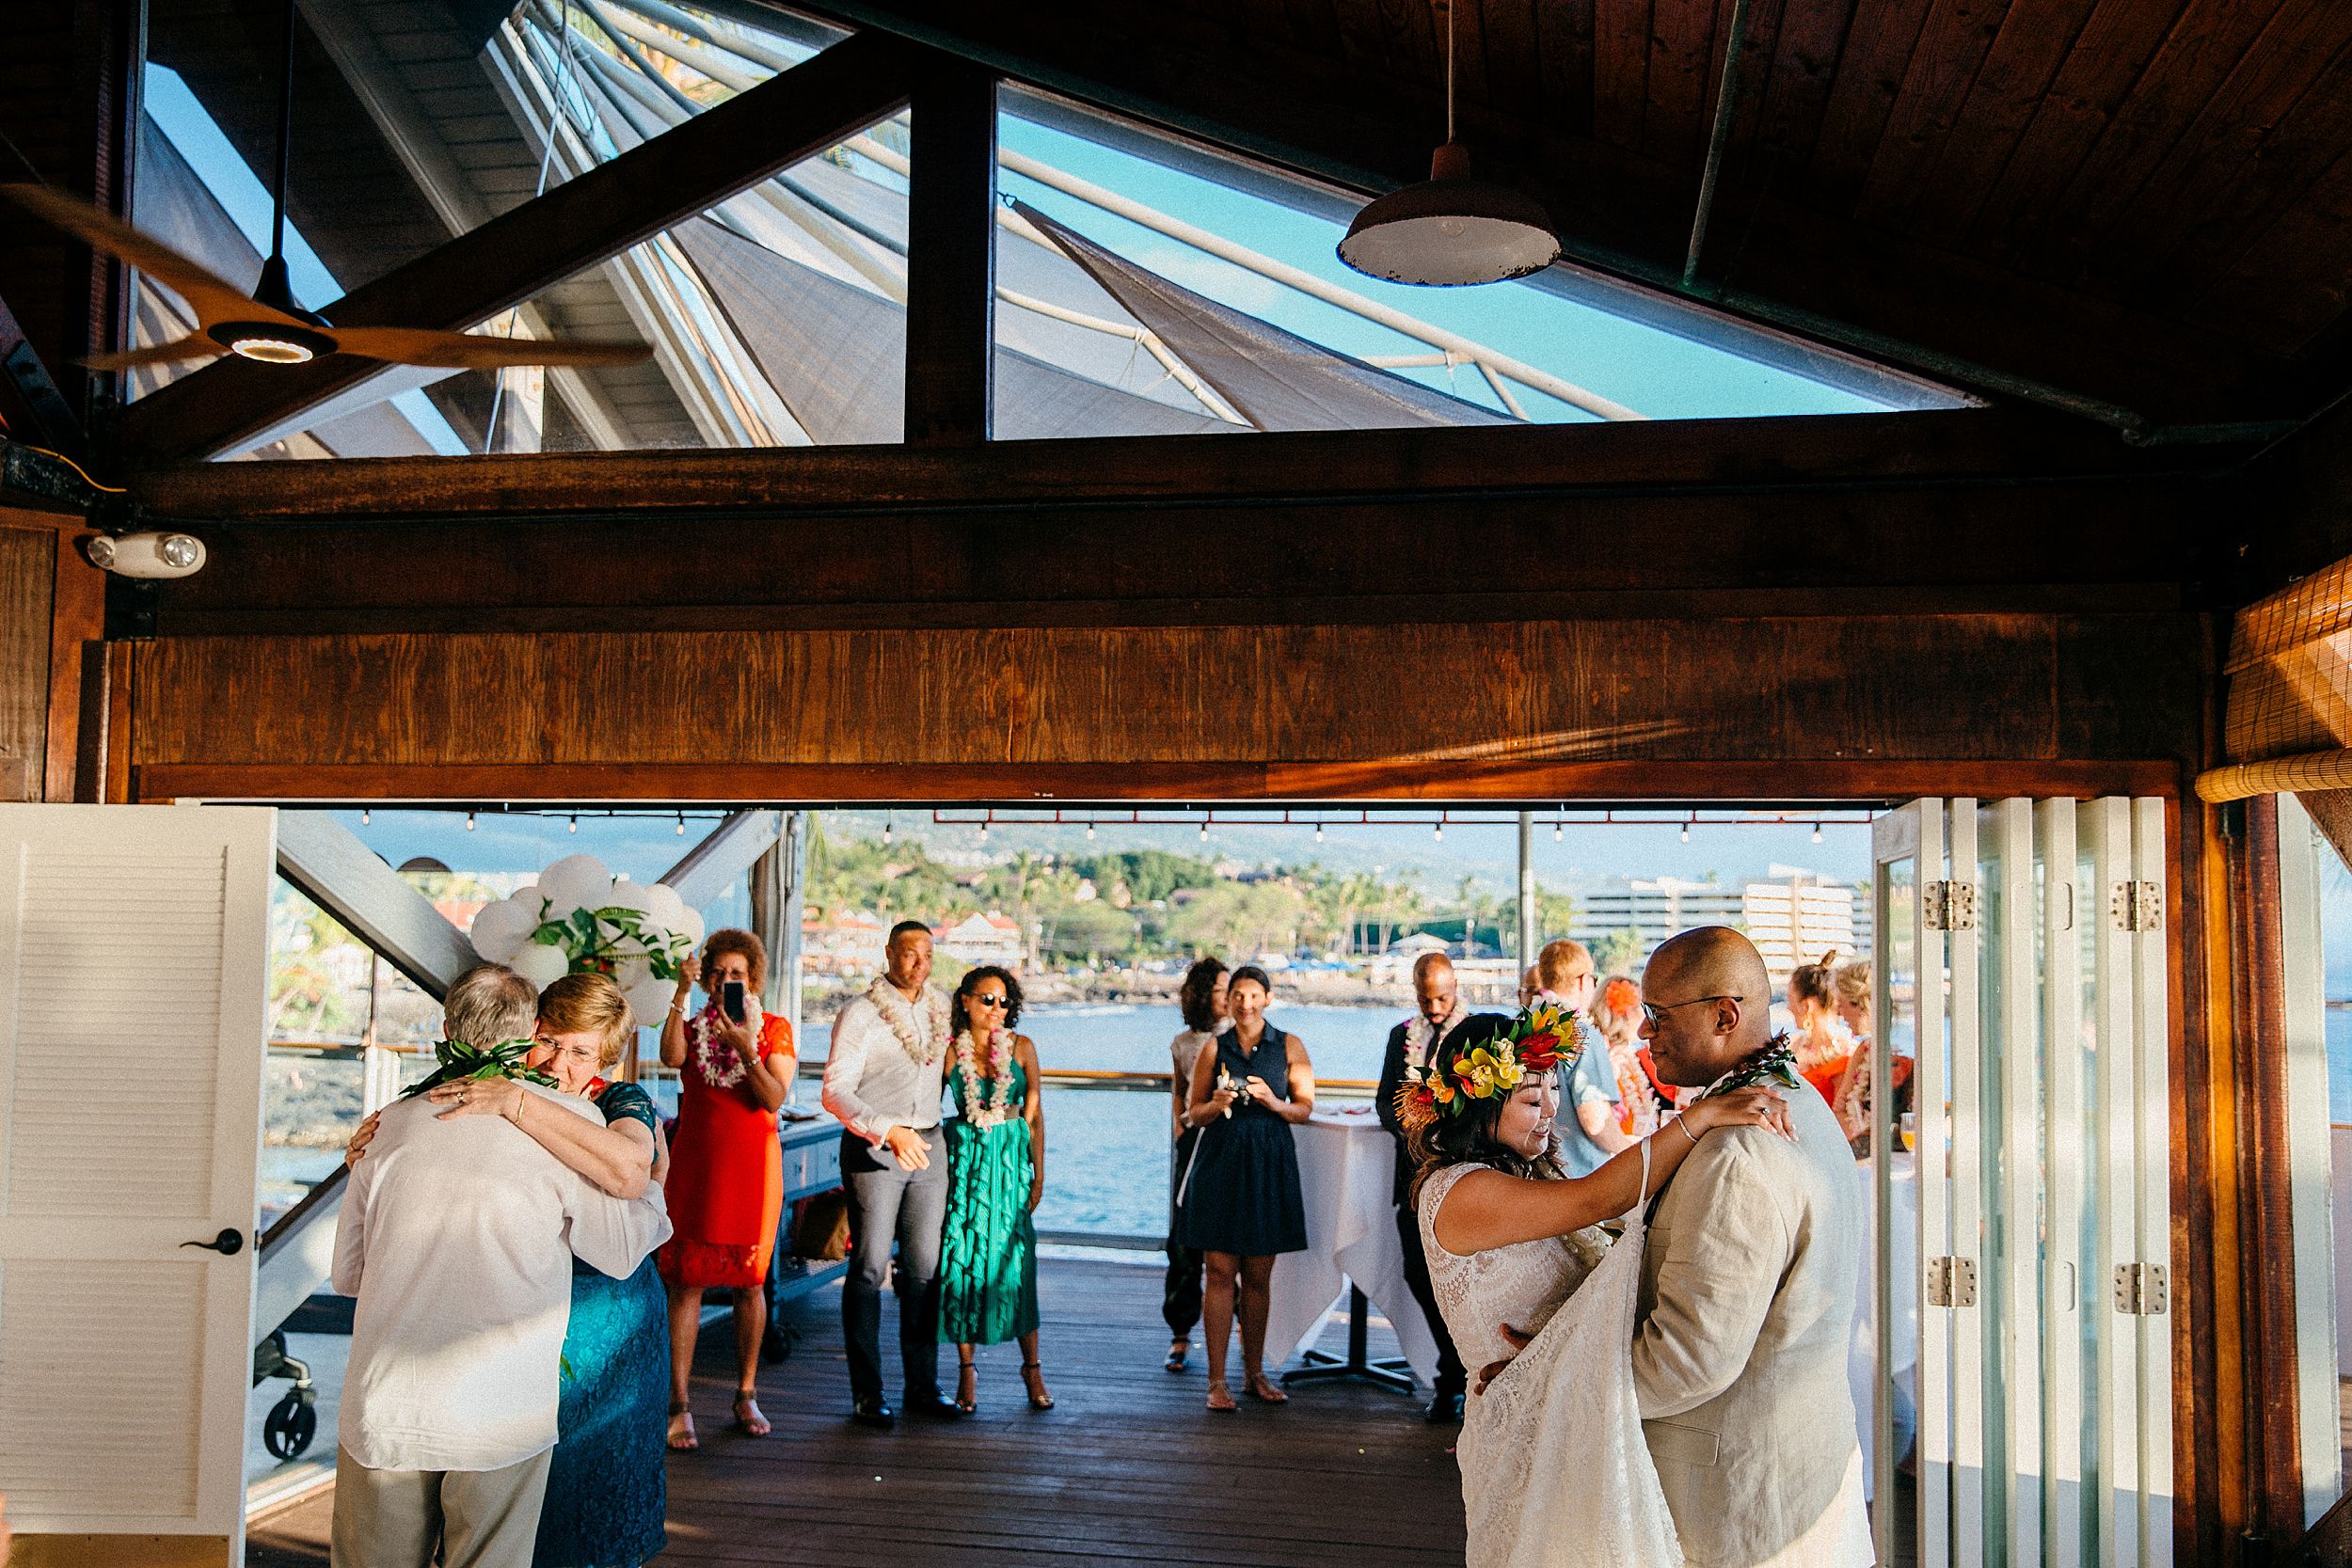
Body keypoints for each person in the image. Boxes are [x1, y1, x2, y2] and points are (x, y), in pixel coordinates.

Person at [1409, 996, 1792, 1568]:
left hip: (1565, 1411)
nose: (1548, 1113)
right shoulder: (1459, 1190)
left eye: (1553, 1094)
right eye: (1530, 1099)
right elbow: (1598, 1197)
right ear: (1477, 1105)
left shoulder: (1521, 1172)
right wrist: (1701, 1118)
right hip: (1524, 1427)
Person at [330, 964, 670, 1568]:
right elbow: (621, 1247)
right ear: (529, 1032)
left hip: (390, 1403)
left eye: (578, 1050)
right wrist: (656, 1185)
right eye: (551, 1042)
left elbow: (348, 1278)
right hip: (501, 1404)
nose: (558, 1062)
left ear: (447, 1029)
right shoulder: (571, 1129)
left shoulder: (389, 1124)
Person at [1632, 927, 1873, 1568]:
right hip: (1799, 1467)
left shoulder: (1739, 1149)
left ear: (1725, 1014)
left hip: (1739, 1505)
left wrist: (1558, 1384)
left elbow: (1691, 1357)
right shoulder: (1797, 1101)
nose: (1643, 1033)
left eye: (1656, 1015)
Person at [656, 929, 795, 1448]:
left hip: (752, 1167)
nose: (727, 981)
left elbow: (772, 1099)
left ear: (752, 979)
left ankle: (746, 1392)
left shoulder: (773, 1030)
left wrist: (746, 1049)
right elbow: (670, 1057)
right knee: (687, 1280)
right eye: (719, 973)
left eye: (737, 974)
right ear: (707, 977)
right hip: (697, 1163)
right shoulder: (693, 1027)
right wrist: (679, 992)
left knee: (750, 1281)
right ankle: (679, 1403)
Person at [822, 919, 961, 1426]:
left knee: (924, 1269)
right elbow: (835, 1090)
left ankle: (923, 1386)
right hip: (875, 1147)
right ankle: (867, 1393)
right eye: (908, 953)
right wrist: (887, 1130)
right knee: (869, 1268)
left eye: (927, 954)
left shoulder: (942, 1007)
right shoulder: (859, 1014)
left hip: (931, 1142)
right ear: (888, 953)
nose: (919, 964)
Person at [1175, 965, 1311, 1412]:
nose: (1245, 1003)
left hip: (1268, 1166)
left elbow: (1305, 1109)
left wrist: (1274, 1101)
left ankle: (1254, 1373)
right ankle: (1216, 1382)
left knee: (1258, 1277)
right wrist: (1215, 1103)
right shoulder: (1215, 1046)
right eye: (1237, 995)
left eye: (1254, 995)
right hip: (1220, 1165)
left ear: (1268, 999)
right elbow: (1192, 1114)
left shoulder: (1289, 1044)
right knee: (1218, 1273)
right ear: (1228, 1001)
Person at [939, 966, 1053, 1412]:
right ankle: (967, 1372)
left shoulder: (1022, 1048)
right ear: (965, 1000)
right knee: (962, 1263)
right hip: (965, 1164)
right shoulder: (950, 1053)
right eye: (988, 1000)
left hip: (1008, 1164)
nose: (997, 1009)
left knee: (1017, 1264)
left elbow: (1036, 1115)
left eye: (1004, 1002)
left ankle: (1032, 1369)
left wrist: (1038, 1174)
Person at [1374, 950, 1470, 1422]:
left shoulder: (1477, 1037)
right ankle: (1452, 1368)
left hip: (1458, 1177)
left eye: (1443, 997)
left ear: (1455, 987)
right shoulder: (1401, 1037)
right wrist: (1417, 1131)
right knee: (1417, 1272)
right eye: (1426, 999)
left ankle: (1458, 1379)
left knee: (1460, 1276)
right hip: (1411, 1174)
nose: (1435, 1008)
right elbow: (1385, 1104)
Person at [1163, 957, 1227, 1372]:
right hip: (1192, 1143)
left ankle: (1236, 1326)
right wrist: (1180, 1131)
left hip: (1228, 1142)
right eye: (1223, 990)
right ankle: (1181, 1333)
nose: (1230, 997)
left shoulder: (1239, 1039)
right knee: (1183, 1242)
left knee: (1228, 1242)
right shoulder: (1184, 1043)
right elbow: (1178, 1091)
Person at [1535, 940, 1631, 1176]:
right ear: (1582, 980)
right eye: (1593, 980)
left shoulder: (1523, 1024)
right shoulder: (1580, 1033)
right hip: (1577, 1177)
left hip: (1532, 1175)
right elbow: (1596, 1122)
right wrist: (1636, 1153)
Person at [1828, 957, 1906, 1150]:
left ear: (1860, 1004)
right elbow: (1840, 1108)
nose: (1839, 1013)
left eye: (1841, 1004)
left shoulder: (1882, 1051)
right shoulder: (1866, 1049)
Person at [1591, 974, 1663, 1138]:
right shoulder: (1605, 1055)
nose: (1647, 1019)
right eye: (1642, 1009)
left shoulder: (1629, 1055)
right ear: (1626, 1013)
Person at [1785, 949, 1852, 1104]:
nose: (1788, 1007)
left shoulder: (1846, 1056)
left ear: (1807, 1006)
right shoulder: (1793, 1047)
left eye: (1790, 999)